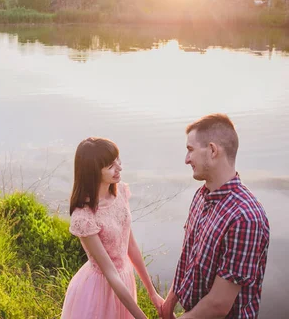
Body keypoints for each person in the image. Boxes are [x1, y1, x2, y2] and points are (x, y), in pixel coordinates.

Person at [161, 114, 270, 319]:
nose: (186, 160)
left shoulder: (245, 217)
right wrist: (171, 300)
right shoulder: (202, 196)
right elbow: (188, 256)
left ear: (212, 150)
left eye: (190, 150)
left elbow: (219, 305)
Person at [61, 137, 163, 319]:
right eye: (110, 166)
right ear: (92, 171)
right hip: (99, 289)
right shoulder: (84, 217)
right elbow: (110, 273)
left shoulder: (120, 191)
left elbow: (130, 246)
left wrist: (152, 292)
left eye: (118, 160)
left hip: (125, 280)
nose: (119, 168)